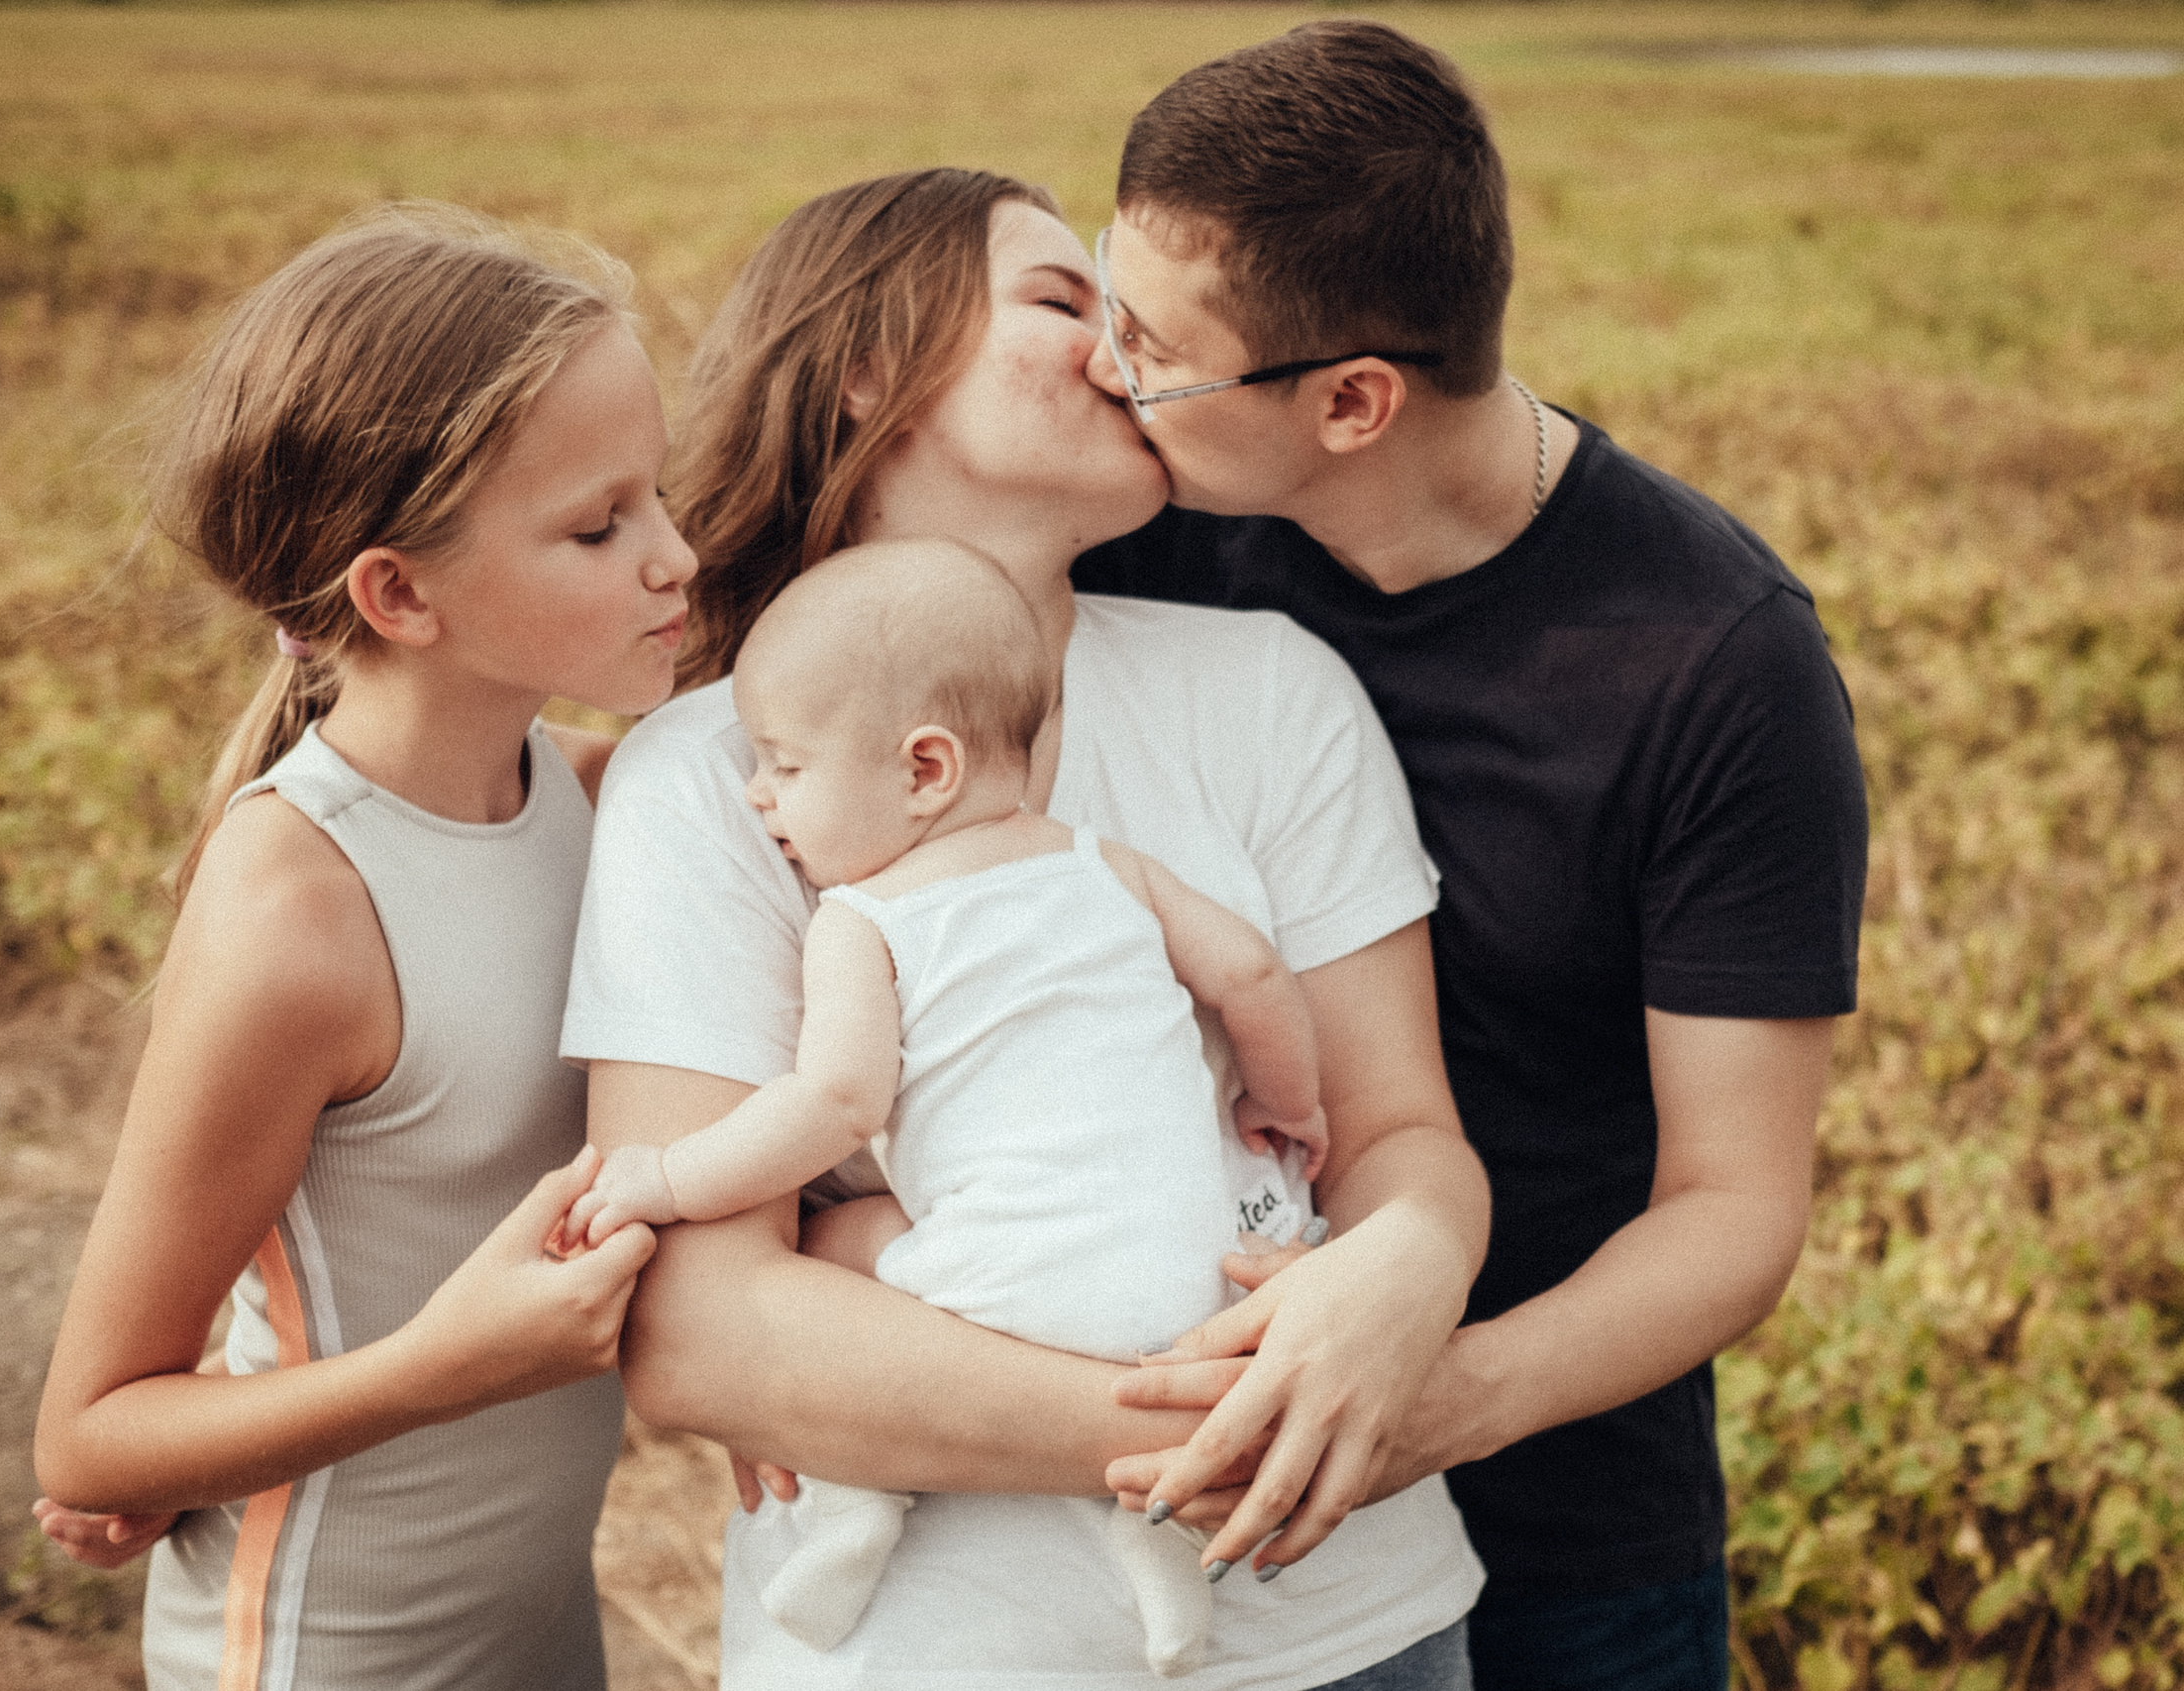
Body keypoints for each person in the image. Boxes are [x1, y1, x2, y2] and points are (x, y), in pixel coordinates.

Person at [564, 167, 1492, 1689]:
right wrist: (1233, 1423)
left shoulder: (1268, 690)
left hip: (1348, 1624)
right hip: (933, 1649)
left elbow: (1392, 1133)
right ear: (871, 368)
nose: (1120, 349)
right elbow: (706, 1332)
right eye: (1063, 303)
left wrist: (1413, 1269)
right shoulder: (718, 777)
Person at [1071, 23, 1870, 1690]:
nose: (1105, 367)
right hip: (1144, 1488)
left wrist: (1444, 1391)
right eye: (1101, 300)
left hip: (1570, 1537)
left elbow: (1735, 1205)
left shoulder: (1716, 660)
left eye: (1154, 343)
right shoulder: (1129, 518)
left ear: (1356, 399)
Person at [29, 203, 688, 1690]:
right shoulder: (301, 907)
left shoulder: (601, 799)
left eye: (660, 496)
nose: (676, 557)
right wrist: (455, 1360)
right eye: (602, 525)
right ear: (399, 592)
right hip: (325, 1649)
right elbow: (92, 1428)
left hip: (539, 1634)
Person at [565, 536, 1331, 1674]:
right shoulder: (1101, 864)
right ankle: (1165, 1568)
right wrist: (1288, 1102)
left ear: (924, 771)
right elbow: (1251, 976)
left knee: (841, 1235)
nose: (756, 794)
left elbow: (832, 1100)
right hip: (1189, 1294)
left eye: (782, 763)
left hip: (1008, 1304)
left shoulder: (863, 920)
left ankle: (854, 1496)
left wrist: (667, 1177)